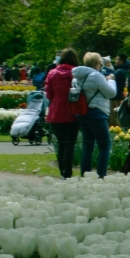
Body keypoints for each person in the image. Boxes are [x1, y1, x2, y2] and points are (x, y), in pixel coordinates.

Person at [43, 49, 87, 178]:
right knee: (70, 144)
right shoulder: (76, 73)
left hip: (56, 112)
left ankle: (62, 170)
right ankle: (67, 172)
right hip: (72, 112)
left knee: (61, 144)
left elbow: (49, 94)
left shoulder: (52, 73)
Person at [74, 52, 117, 177]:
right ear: (96, 64)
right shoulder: (96, 76)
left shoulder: (77, 76)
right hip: (97, 112)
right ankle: (101, 175)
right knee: (104, 146)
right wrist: (111, 81)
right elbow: (111, 93)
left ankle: (85, 175)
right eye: (100, 63)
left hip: (82, 113)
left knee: (88, 146)